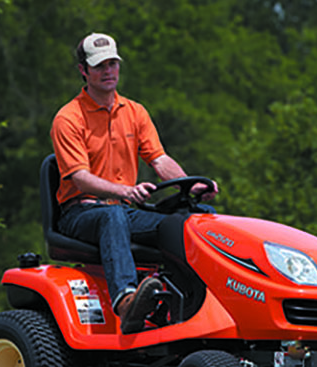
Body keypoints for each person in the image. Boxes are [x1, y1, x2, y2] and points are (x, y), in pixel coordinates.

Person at [50, 32, 216, 334]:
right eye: (99, 65)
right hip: (81, 213)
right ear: (83, 71)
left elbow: (160, 160)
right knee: (112, 215)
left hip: (125, 213)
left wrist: (191, 187)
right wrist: (125, 191)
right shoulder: (68, 118)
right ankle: (127, 302)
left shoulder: (135, 112)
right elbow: (80, 178)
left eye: (112, 63)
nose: (108, 71)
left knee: (193, 219)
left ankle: (199, 302)